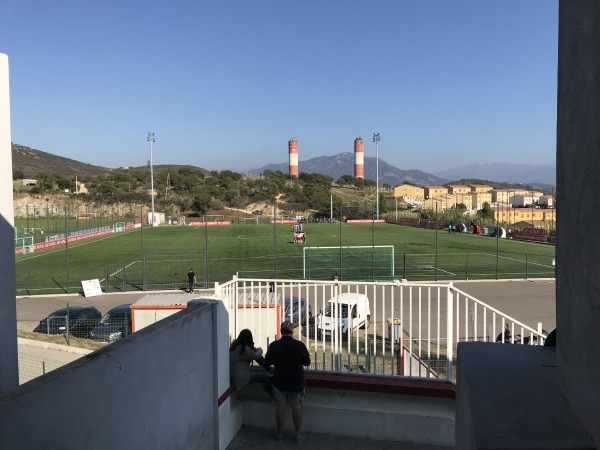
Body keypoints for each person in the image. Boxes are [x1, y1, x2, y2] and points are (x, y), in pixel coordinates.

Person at [264, 321, 311, 444]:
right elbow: (307, 362)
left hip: (280, 381)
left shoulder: (274, 345)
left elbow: (267, 362)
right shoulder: (299, 345)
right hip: (296, 382)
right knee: (296, 406)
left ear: (281, 331)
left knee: (281, 406)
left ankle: (279, 434)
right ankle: (298, 435)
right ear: (292, 331)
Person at [229, 329, 273, 399]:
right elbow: (257, 356)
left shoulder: (233, 346)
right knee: (263, 377)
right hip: (240, 379)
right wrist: (260, 349)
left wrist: (253, 349)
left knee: (254, 351)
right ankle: (274, 397)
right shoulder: (243, 349)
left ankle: (268, 369)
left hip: (231, 376)